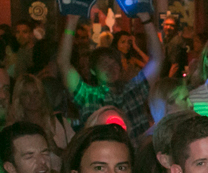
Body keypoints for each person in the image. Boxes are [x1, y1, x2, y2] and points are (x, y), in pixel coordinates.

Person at [60, 10, 164, 145]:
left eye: (114, 63)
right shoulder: (87, 95)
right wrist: (72, 22)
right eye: (104, 64)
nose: (110, 68)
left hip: (137, 161)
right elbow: (63, 63)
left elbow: (157, 59)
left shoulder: (133, 89)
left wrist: (146, 19)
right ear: (93, 71)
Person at [7, 72, 76, 151]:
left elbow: (75, 151)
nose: (32, 98)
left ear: (42, 95)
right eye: (26, 94)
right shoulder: (14, 128)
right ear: (19, 98)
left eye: (36, 93)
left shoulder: (59, 122)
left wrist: (57, 151)